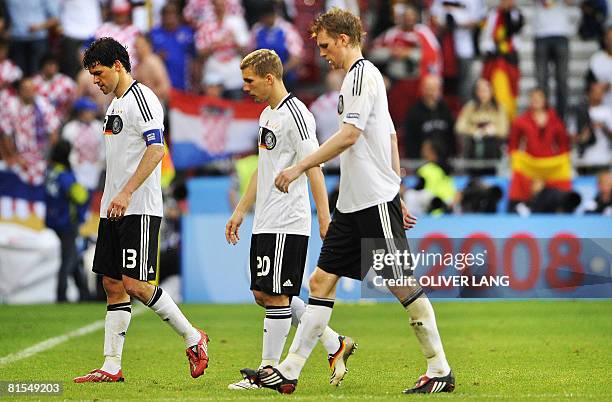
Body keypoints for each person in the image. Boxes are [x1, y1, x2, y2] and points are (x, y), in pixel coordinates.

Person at [242, 8, 454, 395]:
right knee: (320, 282)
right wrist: (398, 189)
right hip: (354, 203)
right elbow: (388, 137)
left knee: (401, 284)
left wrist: (298, 167)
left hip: (372, 200)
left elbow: (350, 135)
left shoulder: (361, 76)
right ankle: (288, 371)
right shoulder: (360, 79)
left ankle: (439, 368)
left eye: (324, 45)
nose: (322, 53)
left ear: (343, 39)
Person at [73, 37, 209, 383]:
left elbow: (156, 149)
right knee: (111, 284)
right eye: (92, 75)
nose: (96, 81)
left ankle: (194, 338)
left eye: (99, 73)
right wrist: (111, 198)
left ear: (118, 65)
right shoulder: (114, 106)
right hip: (112, 209)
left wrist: (126, 193)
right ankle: (111, 366)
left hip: (139, 209)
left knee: (135, 284)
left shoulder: (142, 99)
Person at [225, 48, 355, 391]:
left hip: (288, 220)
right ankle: (334, 343)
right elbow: (263, 168)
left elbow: (314, 165)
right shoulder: (268, 115)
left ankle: (268, 372)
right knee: (262, 293)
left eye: (250, 81)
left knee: (277, 296)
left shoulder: (297, 115)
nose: (245, 88)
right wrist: (241, 210)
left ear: (270, 78)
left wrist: (325, 218)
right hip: (265, 219)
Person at [44, 139, 90, 302]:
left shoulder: (50, 171)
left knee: (74, 256)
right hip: (67, 222)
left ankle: (84, 294)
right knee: (68, 259)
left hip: (53, 219)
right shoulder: (64, 175)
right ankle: (61, 296)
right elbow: (80, 196)